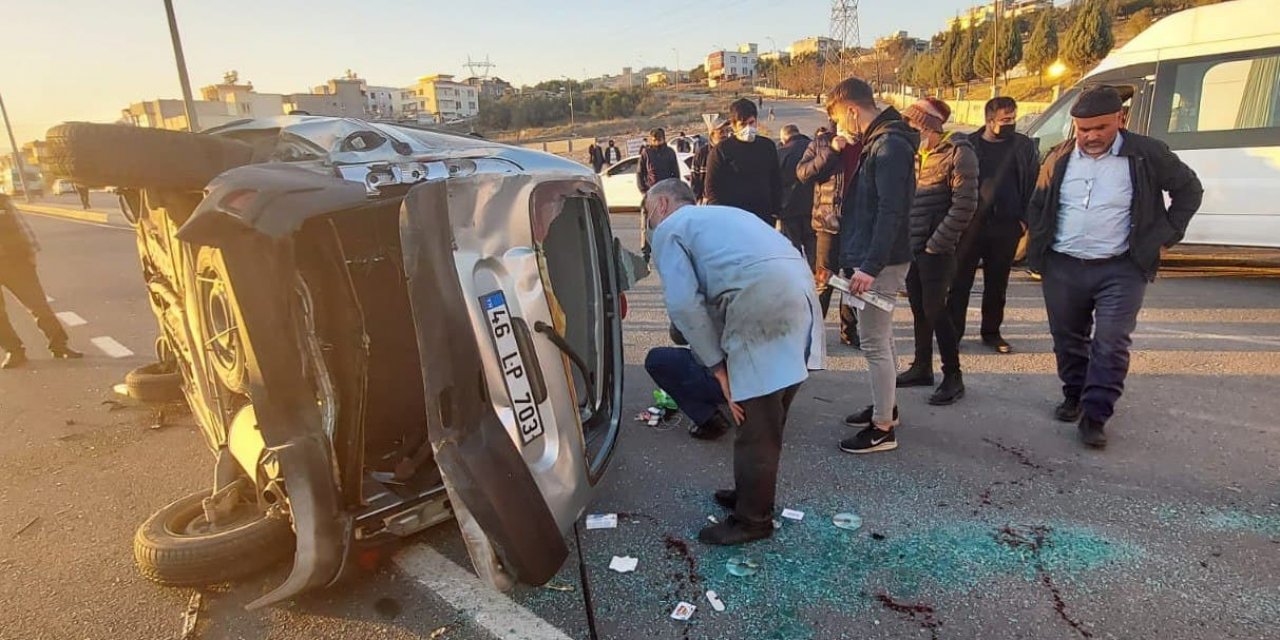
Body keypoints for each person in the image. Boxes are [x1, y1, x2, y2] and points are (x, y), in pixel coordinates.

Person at [644, 178, 824, 545]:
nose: (649, 221)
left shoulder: (670, 228)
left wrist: (718, 369)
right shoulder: (722, 216)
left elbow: (684, 305)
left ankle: (752, 520)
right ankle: (750, 494)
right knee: (769, 415)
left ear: (661, 205)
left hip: (763, 301)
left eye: (648, 212)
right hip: (799, 295)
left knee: (756, 426)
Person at [1026, 86, 1202, 448]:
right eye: (1083, 129)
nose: (1091, 136)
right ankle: (1074, 395)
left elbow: (1189, 191)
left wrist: (1164, 237)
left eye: (1100, 128)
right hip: (1063, 266)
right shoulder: (1059, 157)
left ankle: (1095, 416)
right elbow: (1038, 203)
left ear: (1121, 119)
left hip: (1121, 268)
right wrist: (1037, 246)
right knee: (1068, 340)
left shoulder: (1147, 154)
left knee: (1110, 343)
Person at [825, 77, 918, 455]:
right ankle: (886, 408)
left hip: (881, 262)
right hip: (877, 258)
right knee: (884, 337)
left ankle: (882, 428)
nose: (839, 126)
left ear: (851, 110)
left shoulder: (889, 145)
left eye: (838, 118)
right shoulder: (882, 140)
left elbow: (891, 211)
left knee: (874, 342)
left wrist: (870, 266)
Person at [897, 97, 978, 405]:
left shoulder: (959, 152)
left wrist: (936, 243)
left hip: (937, 249)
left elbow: (964, 205)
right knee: (919, 308)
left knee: (935, 309)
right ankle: (921, 366)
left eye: (911, 124)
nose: (907, 130)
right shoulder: (916, 155)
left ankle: (953, 375)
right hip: (913, 245)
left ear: (927, 126)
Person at [948, 97, 1040, 354]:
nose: (1011, 123)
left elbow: (1033, 183)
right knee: (959, 282)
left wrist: (1024, 220)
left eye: (1013, 118)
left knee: (997, 284)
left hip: (1006, 226)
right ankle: (952, 335)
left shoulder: (1023, 146)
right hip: (970, 226)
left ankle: (991, 333)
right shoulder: (969, 145)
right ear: (989, 120)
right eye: (1005, 119)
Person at [797, 117, 863, 348]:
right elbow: (803, 173)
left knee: (853, 280)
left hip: (859, 223)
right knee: (824, 280)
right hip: (828, 221)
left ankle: (850, 331)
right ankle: (813, 334)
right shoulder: (822, 142)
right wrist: (832, 151)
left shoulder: (868, 141)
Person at [0, 194, 83, 369]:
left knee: (38, 305)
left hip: (15, 262)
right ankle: (14, 351)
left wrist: (31, 253)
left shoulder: (2, 201)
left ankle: (59, 345)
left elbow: (21, 227)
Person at [645, 325, 736, 440]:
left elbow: (678, 336)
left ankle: (707, 417)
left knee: (655, 360)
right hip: (754, 384)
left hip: (728, 383)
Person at [705, 98, 782, 226]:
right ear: (734, 125)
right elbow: (712, 189)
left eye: (751, 123)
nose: (748, 128)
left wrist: (776, 211)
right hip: (734, 220)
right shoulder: (721, 151)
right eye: (743, 124)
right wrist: (723, 217)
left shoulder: (767, 146)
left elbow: (776, 181)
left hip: (764, 219)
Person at [637, 128, 682, 261]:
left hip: (667, 193)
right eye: (654, 139)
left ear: (663, 138)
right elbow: (640, 173)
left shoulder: (670, 153)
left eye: (659, 139)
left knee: (668, 223)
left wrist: (674, 191)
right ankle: (645, 253)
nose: (656, 142)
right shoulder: (646, 153)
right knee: (647, 223)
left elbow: (675, 174)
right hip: (651, 192)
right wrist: (644, 191)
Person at [776, 124, 814, 259]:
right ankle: (815, 272)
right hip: (812, 206)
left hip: (788, 208)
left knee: (793, 253)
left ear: (784, 138)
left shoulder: (781, 153)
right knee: (814, 250)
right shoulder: (813, 148)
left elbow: (775, 182)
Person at [690, 118, 731, 202]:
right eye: (721, 132)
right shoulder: (702, 154)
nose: (725, 135)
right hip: (709, 202)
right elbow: (695, 181)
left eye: (727, 131)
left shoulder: (732, 151)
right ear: (712, 134)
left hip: (730, 201)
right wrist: (698, 200)